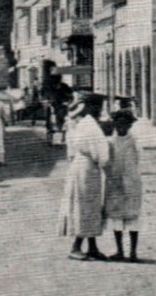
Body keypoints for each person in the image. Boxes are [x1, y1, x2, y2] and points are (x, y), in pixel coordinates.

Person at [59, 94, 110, 260]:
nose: (99, 110)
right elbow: (100, 152)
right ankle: (76, 247)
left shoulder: (84, 123)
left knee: (91, 206)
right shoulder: (89, 124)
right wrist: (105, 161)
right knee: (85, 206)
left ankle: (92, 247)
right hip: (86, 168)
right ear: (89, 107)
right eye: (97, 106)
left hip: (85, 167)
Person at [103, 108, 143, 262]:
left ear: (130, 125)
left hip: (132, 182)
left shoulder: (135, 141)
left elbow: (139, 160)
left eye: (125, 124)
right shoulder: (110, 142)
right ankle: (120, 250)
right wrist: (111, 176)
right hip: (114, 182)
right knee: (116, 217)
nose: (121, 127)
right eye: (118, 124)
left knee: (132, 216)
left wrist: (131, 177)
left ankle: (133, 252)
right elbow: (106, 162)